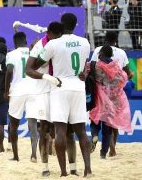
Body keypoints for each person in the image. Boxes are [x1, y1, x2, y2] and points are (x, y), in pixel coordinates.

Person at [26, 13, 92, 177]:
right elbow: (84, 64)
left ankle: (66, 171)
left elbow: (34, 65)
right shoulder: (85, 42)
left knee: (61, 131)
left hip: (58, 87)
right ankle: (85, 170)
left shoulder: (53, 44)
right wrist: (83, 72)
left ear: (61, 26)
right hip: (73, 87)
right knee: (78, 131)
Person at [88, 45, 131, 159]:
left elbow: (85, 74)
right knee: (107, 130)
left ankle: (95, 135)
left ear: (101, 53)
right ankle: (103, 154)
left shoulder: (94, 65)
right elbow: (123, 79)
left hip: (97, 98)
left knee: (94, 121)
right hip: (112, 101)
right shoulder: (116, 67)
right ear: (111, 55)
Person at [5, 32, 39, 162]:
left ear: (14, 43)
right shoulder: (33, 52)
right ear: (26, 41)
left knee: (13, 125)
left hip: (17, 91)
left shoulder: (11, 54)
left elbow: (8, 71)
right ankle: (34, 154)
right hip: (33, 90)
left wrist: (6, 90)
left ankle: (16, 156)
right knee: (33, 124)